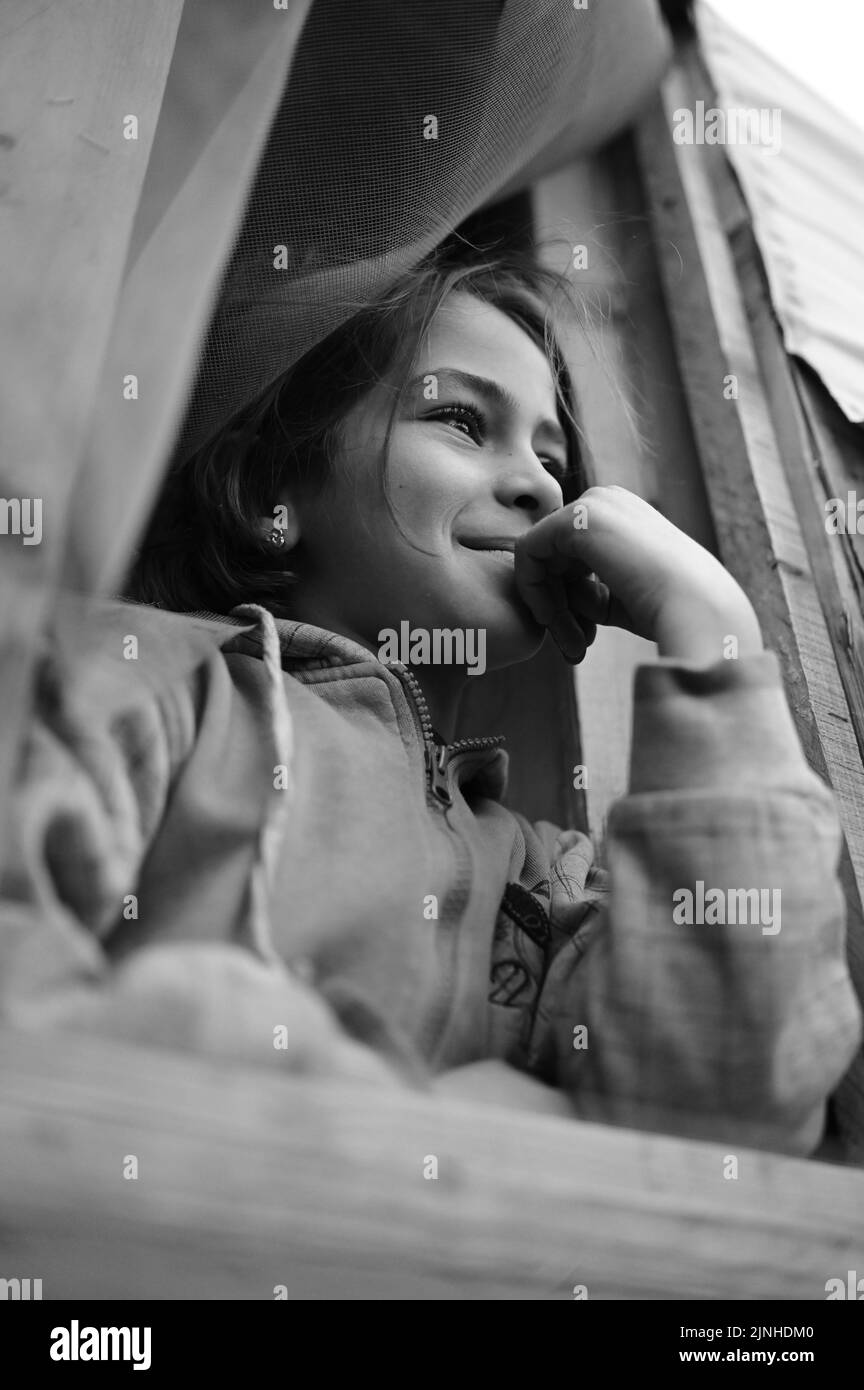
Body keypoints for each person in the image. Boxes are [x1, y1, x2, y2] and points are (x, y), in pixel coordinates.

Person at [1, 252, 859, 1153]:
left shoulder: (543, 879)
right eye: (460, 418)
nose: (540, 485)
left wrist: (716, 634)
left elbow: (733, 1105)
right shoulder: (153, 677)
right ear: (269, 495)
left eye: (552, 456)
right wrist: (448, 1128)